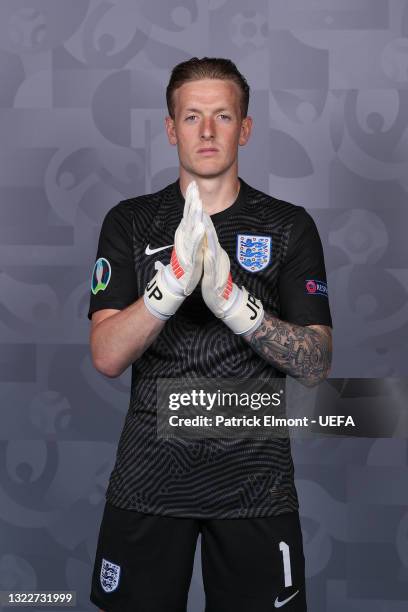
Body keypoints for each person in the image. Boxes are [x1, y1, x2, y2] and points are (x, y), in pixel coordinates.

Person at [88, 57, 333, 612]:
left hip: (255, 487)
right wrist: (168, 288)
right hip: (149, 481)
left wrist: (236, 306)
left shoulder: (289, 225)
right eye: (192, 116)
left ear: (244, 127)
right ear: (171, 128)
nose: (206, 131)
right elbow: (105, 354)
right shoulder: (129, 221)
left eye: (222, 115)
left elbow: (316, 362)